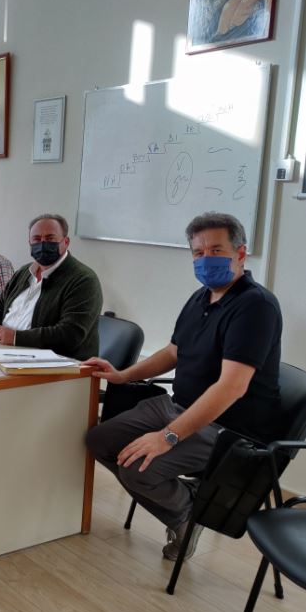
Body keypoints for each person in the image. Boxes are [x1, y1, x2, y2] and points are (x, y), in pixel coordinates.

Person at [85, 212, 283, 561]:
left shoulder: (256, 306)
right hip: (178, 406)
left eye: (216, 250)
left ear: (240, 253)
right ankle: (185, 507)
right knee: (99, 440)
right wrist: (123, 375)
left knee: (137, 468)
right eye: (198, 253)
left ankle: (187, 514)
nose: (206, 260)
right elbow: (173, 352)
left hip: (228, 429)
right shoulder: (200, 298)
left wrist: (167, 437)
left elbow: (232, 388)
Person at [0, 214, 102, 360]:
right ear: (29, 243)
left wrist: (15, 337)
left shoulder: (83, 280)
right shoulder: (24, 272)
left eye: (50, 238)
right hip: (3, 350)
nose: (43, 244)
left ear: (66, 242)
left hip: (55, 362)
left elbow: (70, 334)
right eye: (37, 239)